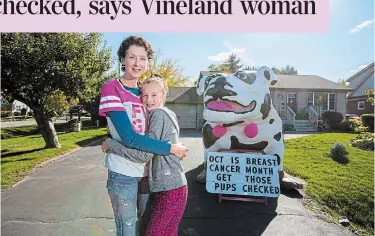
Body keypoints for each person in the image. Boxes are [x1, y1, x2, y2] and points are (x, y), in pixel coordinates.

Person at [98, 36, 188, 236]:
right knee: (128, 229)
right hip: (123, 174)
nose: (137, 63)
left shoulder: (144, 92)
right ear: (122, 59)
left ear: (148, 62)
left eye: (143, 58)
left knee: (146, 227)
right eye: (132, 57)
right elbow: (130, 138)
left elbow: (155, 125)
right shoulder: (112, 88)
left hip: (148, 175)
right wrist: (170, 148)